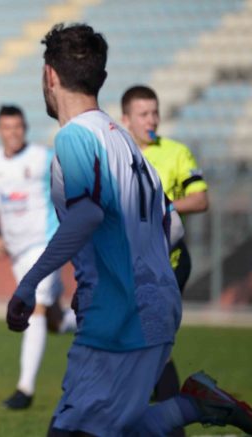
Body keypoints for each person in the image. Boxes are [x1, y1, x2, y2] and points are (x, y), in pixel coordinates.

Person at [6, 23, 252, 436]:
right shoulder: (126, 144)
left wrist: (29, 284)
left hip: (118, 314)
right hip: (158, 305)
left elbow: (86, 216)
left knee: (72, 431)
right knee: (118, 424)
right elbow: (172, 224)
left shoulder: (74, 138)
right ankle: (196, 405)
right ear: (101, 78)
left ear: (49, 75)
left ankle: (196, 404)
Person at [121, 84, 209, 435]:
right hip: (129, 267)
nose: (152, 120)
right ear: (126, 119)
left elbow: (200, 199)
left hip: (168, 264)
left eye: (155, 112)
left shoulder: (175, 153)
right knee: (140, 344)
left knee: (150, 343)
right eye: (143, 114)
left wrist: (162, 207)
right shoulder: (118, 156)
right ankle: (169, 413)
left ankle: (175, 418)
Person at [0, 104, 75, 410]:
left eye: (18, 127)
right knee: (54, 321)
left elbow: (70, 191)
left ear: (25, 129)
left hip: (45, 244)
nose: (13, 133)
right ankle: (96, 321)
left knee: (34, 308)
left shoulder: (44, 158)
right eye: (7, 127)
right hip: (16, 250)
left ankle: (25, 389)